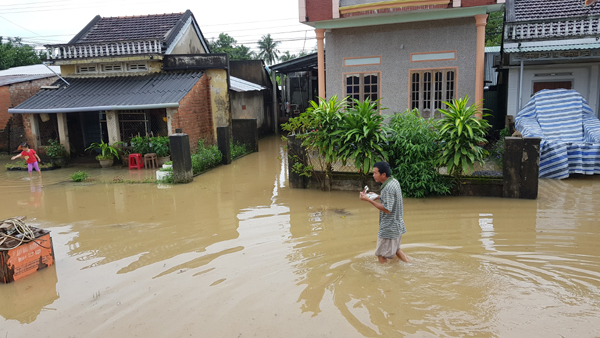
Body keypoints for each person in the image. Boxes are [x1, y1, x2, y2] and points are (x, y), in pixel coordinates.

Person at [359, 161, 409, 263]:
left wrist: (369, 200)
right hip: (397, 225)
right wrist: (377, 196)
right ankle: (411, 265)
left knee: (381, 255)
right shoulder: (394, 182)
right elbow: (391, 199)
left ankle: (384, 277)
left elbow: (387, 209)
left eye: (375, 173)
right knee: (396, 250)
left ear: (383, 174)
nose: (373, 175)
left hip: (388, 227)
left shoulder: (387, 188)